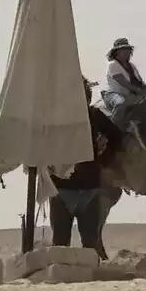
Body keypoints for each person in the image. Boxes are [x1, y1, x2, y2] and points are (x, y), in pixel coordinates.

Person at [48, 89, 124, 259]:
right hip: (63, 189)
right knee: (62, 245)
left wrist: (102, 161)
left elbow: (116, 137)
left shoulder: (92, 115)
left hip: (86, 187)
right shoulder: (56, 117)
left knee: (89, 244)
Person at [101, 38, 146, 130]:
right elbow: (124, 83)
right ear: (116, 52)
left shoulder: (132, 66)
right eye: (123, 49)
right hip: (113, 94)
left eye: (127, 49)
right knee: (121, 104)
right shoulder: (113, 65)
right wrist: (140, 91)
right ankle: (111, 131)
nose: (126, 52)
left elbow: (139, 82)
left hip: (130, 95)